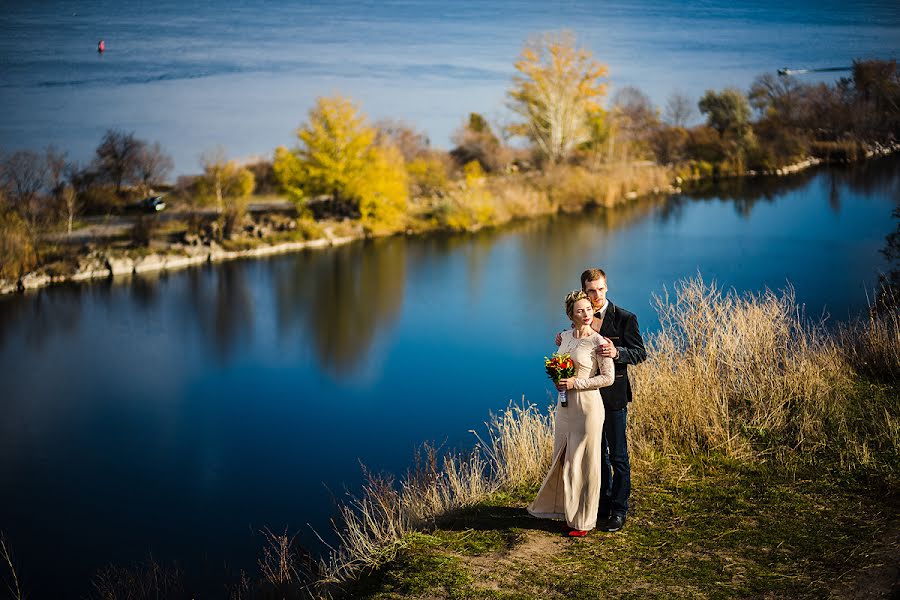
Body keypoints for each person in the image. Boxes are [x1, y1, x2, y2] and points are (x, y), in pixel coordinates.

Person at [558, 268, 647, 533]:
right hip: (584, 403)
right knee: (598, 456)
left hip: (613, 396)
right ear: (584, 291)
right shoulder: (579, 320)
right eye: (591, 291)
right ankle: (601, 504)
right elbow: (576, 345)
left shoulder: (625, 318)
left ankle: (619, 510)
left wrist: (617, 351)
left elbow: (640, 353)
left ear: (607, 287)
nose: (596, 296)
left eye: (600, 289)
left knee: (618, 455)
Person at [528, 290, 614, 536]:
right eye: (580, 310)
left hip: (588, 409)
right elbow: (560, 365)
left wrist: (576, 383)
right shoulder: (563, 337)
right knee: (565, 460)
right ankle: (567, 512)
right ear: (570, 315)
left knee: (586, 463)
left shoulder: (600, 342)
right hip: (565, 407)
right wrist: (559, 380)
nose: (586, 314)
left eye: (589, 309)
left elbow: (607, 378)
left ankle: (584, 521)